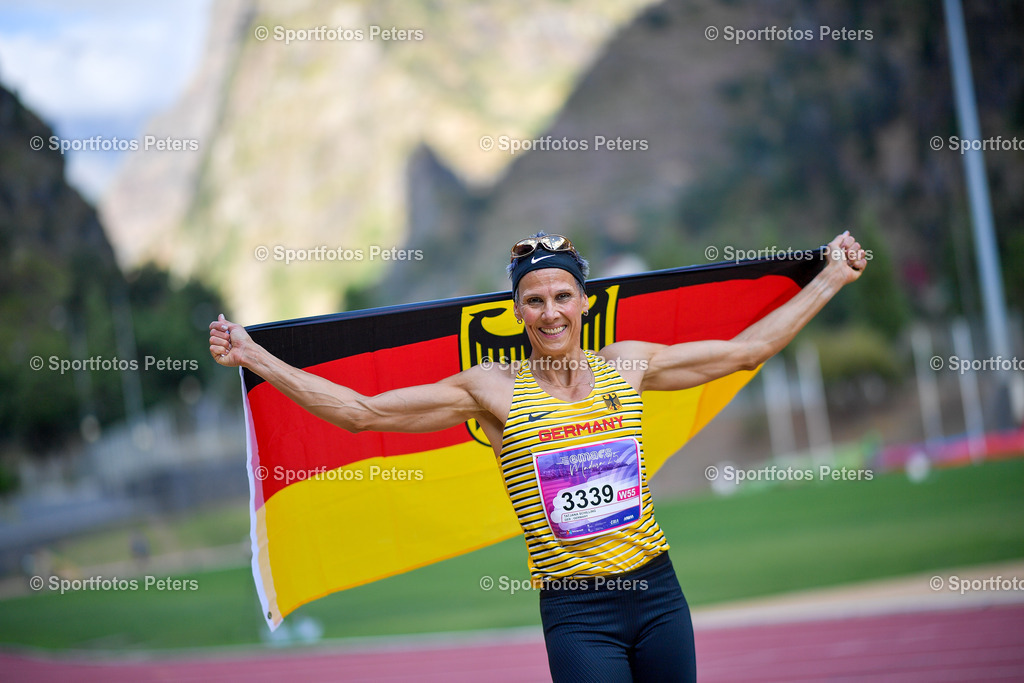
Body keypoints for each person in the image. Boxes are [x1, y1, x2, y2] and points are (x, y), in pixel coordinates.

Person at [209, 231, 866, 682]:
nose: (550, 312)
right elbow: (363, 412)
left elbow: (747, 351)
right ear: (517, 309)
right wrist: (255, 356)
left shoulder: (626, 365)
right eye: (535, 299)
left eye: (562, 295)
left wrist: (833, 276)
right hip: (578, 613)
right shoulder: (491, 389)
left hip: (658, 593)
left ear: (585, 301)